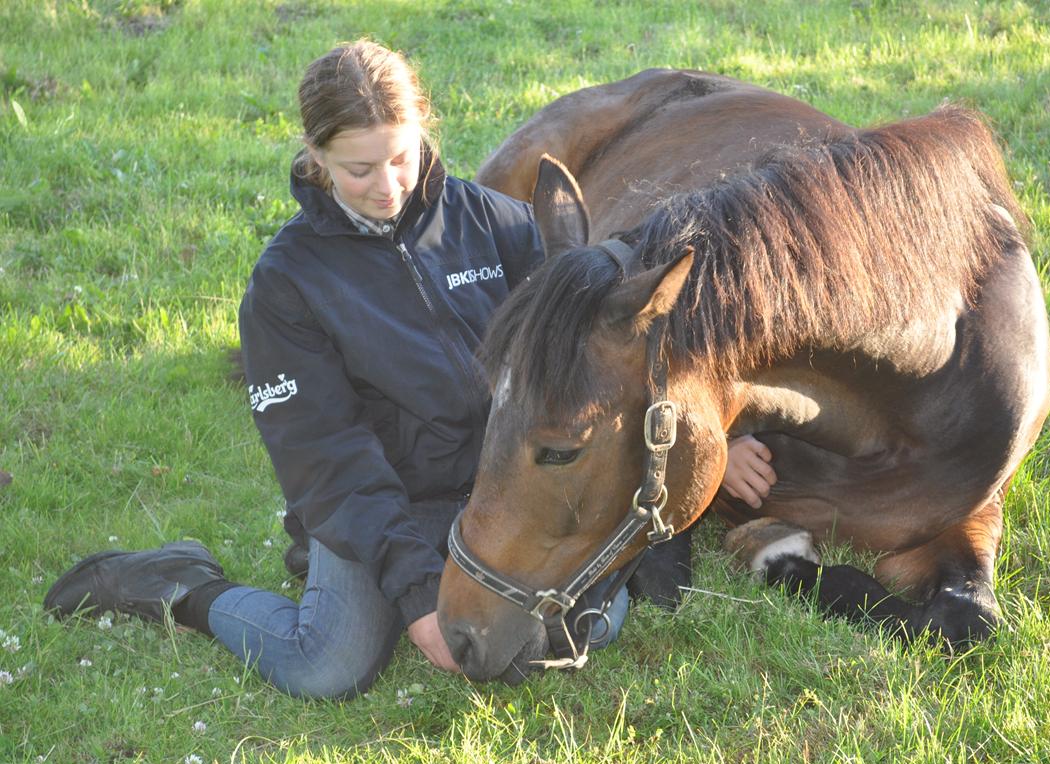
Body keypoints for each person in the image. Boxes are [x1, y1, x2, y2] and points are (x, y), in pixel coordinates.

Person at [43, 41, 777, 699]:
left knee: (585, 627)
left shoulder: (498, 223)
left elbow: (604, 356)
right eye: (358, 169)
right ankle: (180, 583)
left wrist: (704, 432)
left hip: (499, 490)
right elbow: (328, 461)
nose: (388, 186)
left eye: (401, 156)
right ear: (315, 156)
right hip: (380, 503)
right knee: (326, 666)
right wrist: (419, 595)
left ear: (424, 127)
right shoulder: (286, 286)